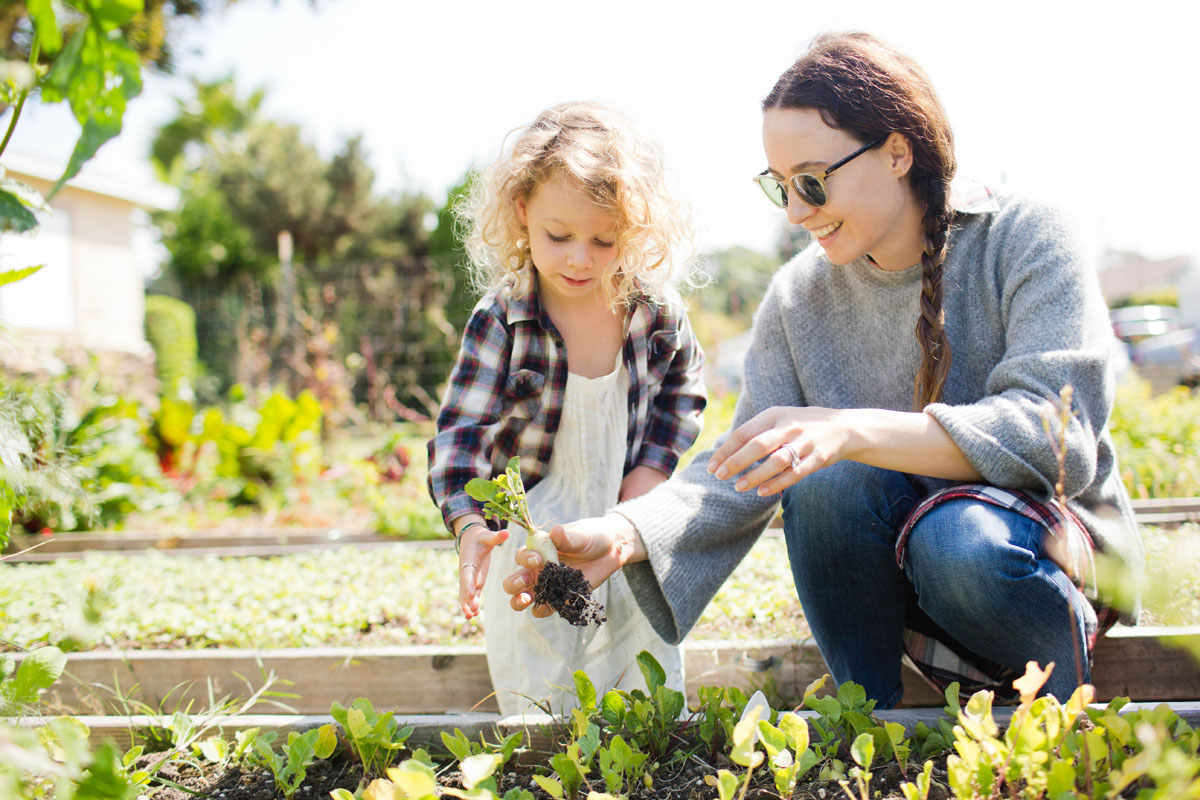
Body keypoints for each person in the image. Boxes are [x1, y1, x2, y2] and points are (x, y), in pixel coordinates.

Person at [503, 33, 1143, 708]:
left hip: (1045, 559)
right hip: (912, 584)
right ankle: (870, 725)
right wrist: (626, 532)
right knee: (825, 485)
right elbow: (747, 461)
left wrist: (848, 430)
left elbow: (1055, 435)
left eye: (811, 180)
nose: (795, 211)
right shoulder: (798, 295)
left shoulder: (1026, 235)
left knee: (953, 539)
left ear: (897, 152)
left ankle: (1060, 709)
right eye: (779, 187)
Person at [426, 101, 707, 716]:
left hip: (627, 512)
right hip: (534, 517)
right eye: (560, 237)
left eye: (603, 240)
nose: (580, 258)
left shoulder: (653, 310)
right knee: (542, 634)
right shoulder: (504, 317)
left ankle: (648, 738)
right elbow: (460, 435)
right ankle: (549, 743)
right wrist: (472, 526)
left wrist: (649, 477)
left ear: (632, 230)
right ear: (522, 213)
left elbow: (683, 393)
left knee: (639, 627)